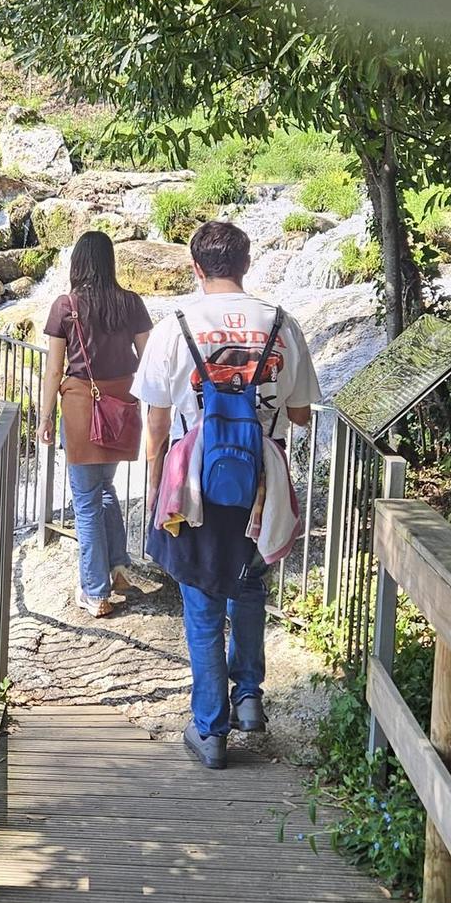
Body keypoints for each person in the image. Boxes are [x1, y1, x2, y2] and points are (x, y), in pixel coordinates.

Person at [132, 220, 320, 770]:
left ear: (196, 267)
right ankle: (249, 696)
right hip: (260, 482)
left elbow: (158, 419)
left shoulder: (176, 326)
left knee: (201, 594)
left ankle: (211, 730)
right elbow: (303, 414)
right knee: (248, 583)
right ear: (246, 265)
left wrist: (153, 485)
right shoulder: (283, 325)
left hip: (194, 484)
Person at [37, 230, 154, 618]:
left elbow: (54, 369)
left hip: (81, 408)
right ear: (110, 262)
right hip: (121, 406)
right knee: (105, 489)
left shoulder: (66, 306)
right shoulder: (131, 303)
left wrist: (44, 418)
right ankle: (118, 567)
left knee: (86, 502)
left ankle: (95, 590)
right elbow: (149, 360)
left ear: (77, 262)